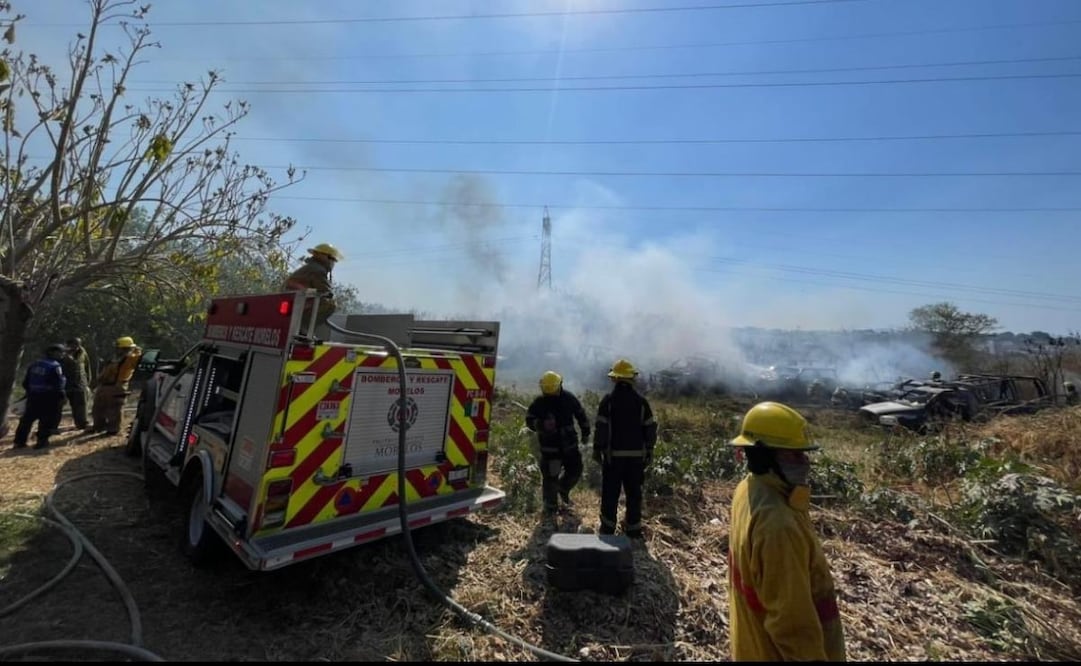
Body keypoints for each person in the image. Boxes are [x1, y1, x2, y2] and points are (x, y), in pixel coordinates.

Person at [727, 401, 847, 662]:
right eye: (793, 456)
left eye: (803, 454)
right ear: (764, 457)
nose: (805, 463)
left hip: (753, 646)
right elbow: (792, 625)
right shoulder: (778, 525)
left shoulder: (749, 489)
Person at [593, 358, 657, 539]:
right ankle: (634, 531)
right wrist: (649, 450)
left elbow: (601, 428)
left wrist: (597, 450)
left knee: (610, 494)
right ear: (632, 379)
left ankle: (607, 530)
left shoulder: (608, 401)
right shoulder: (641, 402)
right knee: (634, 494)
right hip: (636, 458)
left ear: (614, 378)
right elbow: (650, 429)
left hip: (613, 458)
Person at [525, 370, 591, 516]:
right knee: (550, 479)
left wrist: (586, 432)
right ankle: (550, 510)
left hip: (570, 447)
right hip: (551, 450)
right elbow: (529, 420)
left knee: (575, 471)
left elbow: (581, 415)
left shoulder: (569, 398)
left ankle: (563, 489)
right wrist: (540, 424)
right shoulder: (539, 403)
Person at [283, 243, 343, 339]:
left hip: (294, 301)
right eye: (333, 260)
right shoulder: (318, 270)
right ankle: (304, 330)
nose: (333, 263)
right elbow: (325, 291)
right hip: (298, 303)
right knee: (330, 304)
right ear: (325, 257)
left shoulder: (310, 267)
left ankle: (303, 329)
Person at [12, 344, 67, 450]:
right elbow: (58, 384)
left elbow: (25, 382)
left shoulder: (35, 364)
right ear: (53, 353)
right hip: (47, 397)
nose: (62, 354)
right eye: (61, 352)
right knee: (45, 420)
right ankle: (41, 442)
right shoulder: (55, 366)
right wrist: (62, 396)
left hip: (33, 396)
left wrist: (31, 392)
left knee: (27, 420)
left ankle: (19, 442)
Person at [91, 336, 143, 436]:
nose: (117, 350)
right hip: (104, 386)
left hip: (117, 386)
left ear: (125, 348)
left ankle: (113, 429)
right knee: (98, 408)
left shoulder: (130, 359)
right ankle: (98, 426)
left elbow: (138, 357)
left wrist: (136, 350)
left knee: (114, 409)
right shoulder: (116, 358)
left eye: (119, 348)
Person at [60, 337, 92, 430]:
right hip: (65, 384)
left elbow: (87, 367)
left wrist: (87, 381)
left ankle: (82, 424)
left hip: (80, 384)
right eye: (72, 345)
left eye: (77, 345)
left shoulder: (82, 353)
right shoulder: (62, 354)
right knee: (58, 406)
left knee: (81, 406)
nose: (75, 347)